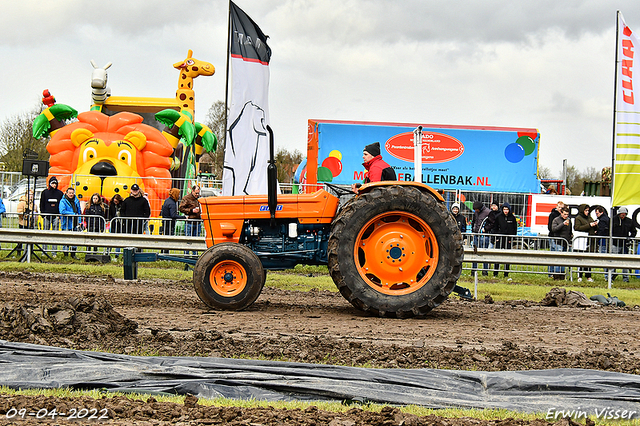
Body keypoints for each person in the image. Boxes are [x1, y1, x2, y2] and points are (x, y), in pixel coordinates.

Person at [611, 207, 637, 282]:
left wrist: (630, 238)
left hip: (625, 245)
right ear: (619, 214)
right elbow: (608, 230)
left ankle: (625, 278)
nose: (623, 216)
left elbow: (634, 231)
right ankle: (611, 276)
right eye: (621, 214)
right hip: (615, 244)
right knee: (613, 261)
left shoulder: (629, 221)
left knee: (625, 262)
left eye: (624, 214)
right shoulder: (613, 220)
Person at [39, 176, 64, 255]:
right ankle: (44, 251)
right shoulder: (45, 192)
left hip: (56, 216)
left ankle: (54, 252)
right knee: (45, 234)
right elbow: (42, 203)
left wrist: (59, 215)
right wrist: (43, 214)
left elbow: (61, 204)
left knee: (55, 234)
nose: (54, 185)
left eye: (55, 183)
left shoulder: (60, 193)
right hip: (46, 215)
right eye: (53, 183)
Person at [493, 202, 517, 279]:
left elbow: (514, 229)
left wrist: (512, 239)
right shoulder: (498, 217)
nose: (505, 211)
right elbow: (495, 228)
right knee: (497, 257)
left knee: (507, 257)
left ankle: (506, 273)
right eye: (504, 209)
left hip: (508, 240)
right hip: (499, 239)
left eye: (507, 209)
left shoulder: (512, 218)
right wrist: (496, 238)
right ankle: (495, 273)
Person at [573, 203, 597, 282]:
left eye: (588, 211)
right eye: (586, 210)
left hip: (590, 241)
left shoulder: (589, 217)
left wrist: (595, 225)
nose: (587, 212)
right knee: (581, 259)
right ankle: (579, 275)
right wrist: (589, 225)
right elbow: (577, 228)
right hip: (582, 241)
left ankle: (588, 276)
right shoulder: (578, 218)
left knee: (588, 259)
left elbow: (593, 226)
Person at [59, 187, 81, 258]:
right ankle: (65, 255)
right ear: (66, 193)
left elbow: (79, 212)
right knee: (66, 239)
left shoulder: (76, 201)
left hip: (75, 223)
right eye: (70, 193)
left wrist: (79, 221)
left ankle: (73, 254)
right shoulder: (63, 201)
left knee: (75, 239)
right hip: (66, 223)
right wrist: (72, 214)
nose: (71, 194)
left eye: (72, 193)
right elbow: (62, 211)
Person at [550, 206, 572, 280]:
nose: (566, 216)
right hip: (558, 242)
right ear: (561, 213)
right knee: (558, 259)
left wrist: (570, 240)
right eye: (565, 214)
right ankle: (556, 275)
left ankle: (562, 275)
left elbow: (570, 232)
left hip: (566, 242)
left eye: (567, 214)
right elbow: (554, 229)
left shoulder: (569, 221)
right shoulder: (556, 220)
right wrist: (562, 224)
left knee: (563, 260)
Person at [180, 185, 202, 256]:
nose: (197, 195)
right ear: (192, 191)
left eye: (198, 193)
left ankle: (195, 255)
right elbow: (181, 208)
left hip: (197, 222)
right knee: (188, 240)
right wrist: (191, 210)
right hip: (190, 222)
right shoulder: (186, 198)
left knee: (196, 241)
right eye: (196, 193)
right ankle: (186, 255)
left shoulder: (199, 199)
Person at [16, 191, 39, 257]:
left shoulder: (34, 204)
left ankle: (30, 252)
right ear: (26, 195)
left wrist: (35, 219)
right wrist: (27, 215)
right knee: (21, 238)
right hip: (23, 223)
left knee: (31, 238)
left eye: (32, 195)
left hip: (31, 224)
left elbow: (36, 212)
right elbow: (19, 212)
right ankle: (19, 251)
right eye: (29, 195)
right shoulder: (22, 203)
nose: (31, 196)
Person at [470, 201, 491, 275]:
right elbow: (474, 222)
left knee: (484, 253)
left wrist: (486, 228)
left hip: (484, 235)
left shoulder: (488, 212)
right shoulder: (476, 213)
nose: (475, 211)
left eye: (476, 209)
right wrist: (473, 230)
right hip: (476, 234)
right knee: (475, 252)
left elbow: (492, 223)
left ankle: (485, 271)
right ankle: (474, 270)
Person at [547, 201, 565, 277]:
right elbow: (550, 227)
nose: (560, 209)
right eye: (559, 207)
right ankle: (552, 273)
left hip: (560, 237)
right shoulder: (553, 215)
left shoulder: (564, 216)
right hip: (553, 237)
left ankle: (558, 272)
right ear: (556, 207)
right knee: (553, 255)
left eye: (562, 208)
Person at [161, 188, 181, 254]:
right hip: (169, 224)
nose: (179, 196)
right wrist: (183, 217)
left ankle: (163, 253)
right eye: (178, 194)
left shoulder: (167, 201)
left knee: (165, 239)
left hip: (165, 222)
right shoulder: (172, 203)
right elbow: (173, 215)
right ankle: (166, 254)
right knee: (168, 239)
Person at [108, 194, 124, 261]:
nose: (115, 202)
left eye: (117, 201)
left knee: (119, 239)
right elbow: (110, 214)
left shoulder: (122, 205)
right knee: (111, 239)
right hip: (113, 223)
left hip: (120, 224)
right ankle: (108, 252)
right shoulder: (111, 205)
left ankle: (117, 254)